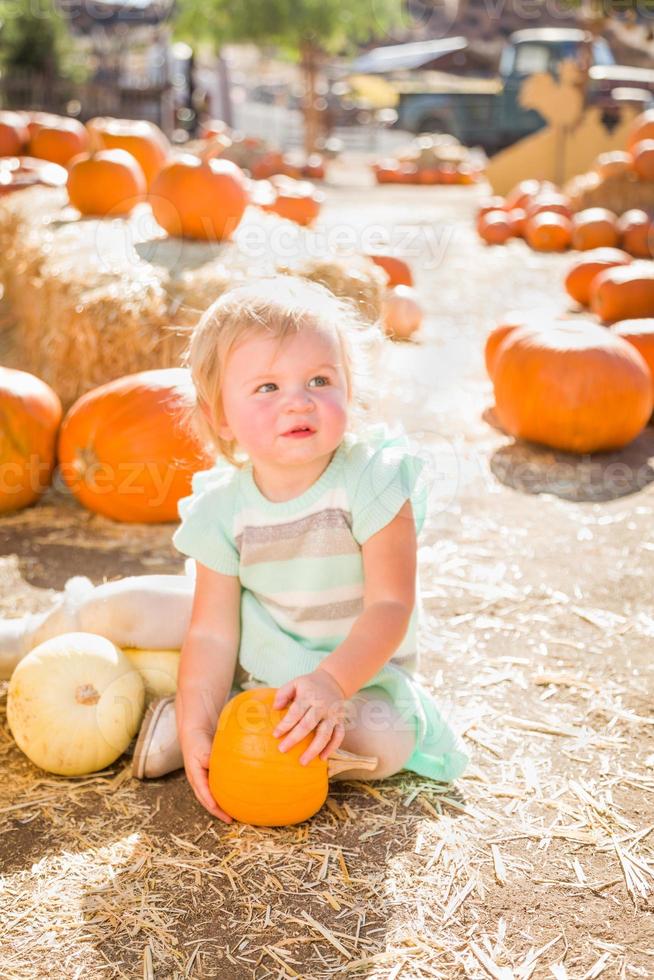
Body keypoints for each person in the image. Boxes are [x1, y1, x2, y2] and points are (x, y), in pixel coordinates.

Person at [1, 276, 468, 823]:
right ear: (220, 414)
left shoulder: (374, 478)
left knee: (384, 742)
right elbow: (212, 630)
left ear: (349, 389)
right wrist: (197, 722)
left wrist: (331, 683)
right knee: (122, 606)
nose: (299, 401)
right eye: (267, 388)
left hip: (355, 673)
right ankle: (33, 638)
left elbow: (390, 607)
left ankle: (227, 732)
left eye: (320, 379)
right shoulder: (223, 505)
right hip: (252, 633)